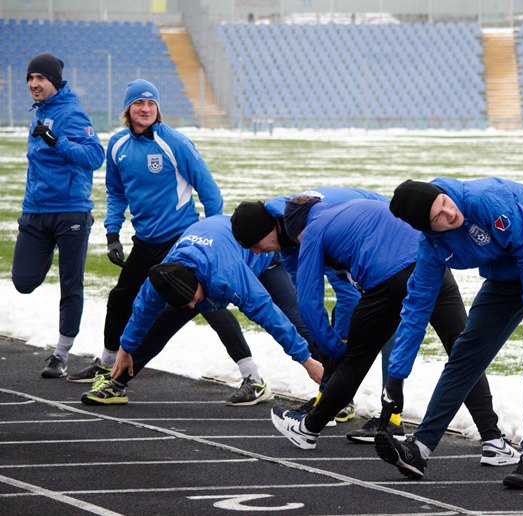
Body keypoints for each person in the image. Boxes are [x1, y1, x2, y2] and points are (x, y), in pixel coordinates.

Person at [269, 196, 520, 467]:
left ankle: (307, 429)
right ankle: (493, 440)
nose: (298, 243)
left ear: (298, 228)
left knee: (354, 361)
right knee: (464, 352)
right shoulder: (354, 204)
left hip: (386, 281)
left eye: (297, 239)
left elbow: (308, 300)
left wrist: (331, 347)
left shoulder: (312, 230)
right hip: (431, 262)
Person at [374, 177, 523, 488]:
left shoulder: (484, 200)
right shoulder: (432, 247)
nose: (450, 214)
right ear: (427, 229)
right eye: (438, 218)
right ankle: (419, 449)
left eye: (445, 203)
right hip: (507, 269)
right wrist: (396, 378)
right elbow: (417, 307)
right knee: (465, 353)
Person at [65, 79, 262, 406]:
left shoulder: (175, 143)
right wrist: (113, 233)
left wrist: (215, 235)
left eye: (150, 104)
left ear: (157, 109)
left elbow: (209, 190)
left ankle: (251, 376)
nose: (145, 109)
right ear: (127, 109)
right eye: (138, 104)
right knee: (121, 297)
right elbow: (116, 193)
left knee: (205, 303)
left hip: (180, 240)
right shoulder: (117, 145)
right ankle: (107, 362)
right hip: (145, 241)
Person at [80, 215, 323, 405]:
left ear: (200, 282)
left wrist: (305, 360)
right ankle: (117, 382)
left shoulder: (227, 277)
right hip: (212, 249)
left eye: (193, 300)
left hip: (264, 260)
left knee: (298, 321)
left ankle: (333, 389)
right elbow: (141, 315)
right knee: (160, 326)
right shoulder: (160, 279)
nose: (193, 307)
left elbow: (270, 317)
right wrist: (125, 348)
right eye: (189, 303)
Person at [232, 187, 397, 440]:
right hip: (364, 228)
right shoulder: (287, 238)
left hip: (384, 227)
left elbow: (348, 295)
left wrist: (336, 349)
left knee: (385, 315)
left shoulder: (311, 230)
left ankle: (390, 418)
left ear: (267, 231)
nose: (255, 253)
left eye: (255, 245)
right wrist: (329, 347)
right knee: (349, 325)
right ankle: (332, 399)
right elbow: (306, 299)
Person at [12, 53, 105, 378]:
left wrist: (58, 141)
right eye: (30, 78)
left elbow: (95, 156)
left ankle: (60, 355)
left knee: (71, 283)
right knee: (23, 281)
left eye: (40, 78)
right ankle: (45, 251)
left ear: (54, 81)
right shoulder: (38, 113)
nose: (34, 84)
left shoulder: (72, 113)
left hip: (70, 212)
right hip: (36, 212)